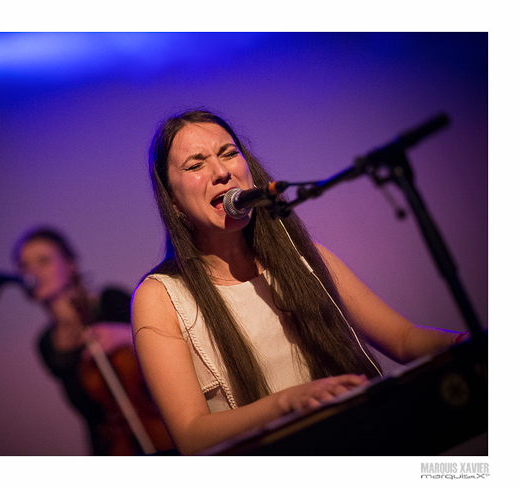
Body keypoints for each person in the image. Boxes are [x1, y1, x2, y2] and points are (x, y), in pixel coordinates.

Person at [131, 109, 469, 455]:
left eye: (229, 154)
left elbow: (403, 338)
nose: (221, 172)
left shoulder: (304, 260)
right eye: (196, 165)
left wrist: (469, 345)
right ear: (173, 201)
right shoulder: (160, 297)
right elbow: (191, 435)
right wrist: (288, 403)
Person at [12, 227, 174, 455]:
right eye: (24, 266)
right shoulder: (48, 345)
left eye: (43, 261)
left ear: (70, 265)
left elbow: (168, 344)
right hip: (112, 449)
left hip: (161, 427)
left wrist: (125, 335)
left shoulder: (110, 300)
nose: (33, 272)